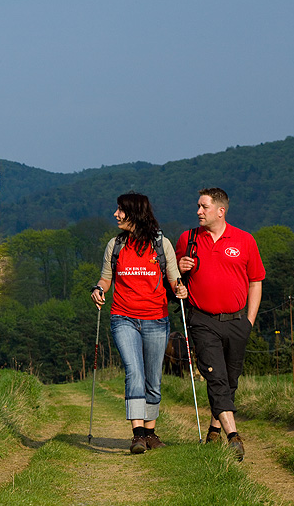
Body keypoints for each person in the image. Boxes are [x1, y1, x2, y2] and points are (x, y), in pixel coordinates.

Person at [91, 192, 187, 454]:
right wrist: (99, 289)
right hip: (123, 317)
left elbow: (174, 279)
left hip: (156, 319)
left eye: (120, 210)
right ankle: (138, 434)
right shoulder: (115, 245)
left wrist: (180, 288)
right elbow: (106, 278)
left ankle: (151, 432)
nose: (115, 214)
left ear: (134, 213)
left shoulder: (161, 244)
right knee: (134, 372)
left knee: (153, 378)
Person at [176, 187, 265, 461]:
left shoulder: (244, 240)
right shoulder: (187, 239)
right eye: (199, 206)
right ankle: (233, 436)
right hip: (202, 320)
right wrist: (180, 268)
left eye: (203, 207)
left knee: (230, 380)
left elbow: (256, 281)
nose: (198, 212)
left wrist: (249, 321)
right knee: (215, 376)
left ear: (220, 210)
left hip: (237, 321)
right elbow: (174, 281)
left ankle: (215, 428)